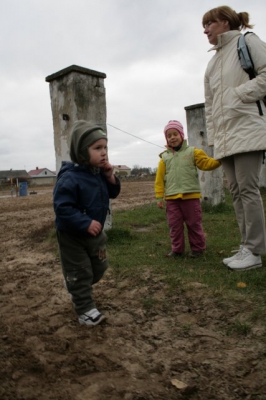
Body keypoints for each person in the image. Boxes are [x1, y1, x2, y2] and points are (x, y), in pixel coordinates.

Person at [202, 6, 266, 270]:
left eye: (209, 24)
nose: (205, 30)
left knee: (248, 190)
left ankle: (255, 250)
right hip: (226, 136)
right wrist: (214, 137)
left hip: (247, 128)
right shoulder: (212, 62)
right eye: (203, 26)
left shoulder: (247, 40)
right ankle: (246, 245)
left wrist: (238, 94)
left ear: (225, 23)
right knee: (236, 191)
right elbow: (209, 103)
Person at [53, 120, 120, 327]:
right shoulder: (70, 178)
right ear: (82, 152)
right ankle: (85, 309)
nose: (104, 153)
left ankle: (75, 285)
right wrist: (84, 223)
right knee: (81, 273)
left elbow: (113, 193)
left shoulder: (99, 173)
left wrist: (110, 177)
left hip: (94, 234)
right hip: (72, 236)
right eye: (97, 148)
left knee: (99, 269)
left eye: (105, 147)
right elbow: (62, 208)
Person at [154, 120, 221, 258]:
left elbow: (206, 163)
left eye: (175, 134)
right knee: (174, 226)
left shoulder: (193, 152)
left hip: (191, 197)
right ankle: (177, 250)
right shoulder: (164, 158)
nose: (172, 137)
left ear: (181, 135)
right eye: (169, 135)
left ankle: (197, 249)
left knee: (194, 224)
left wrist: (220, 160)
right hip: (172, 199)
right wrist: (159, 197)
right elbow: (159, 180)